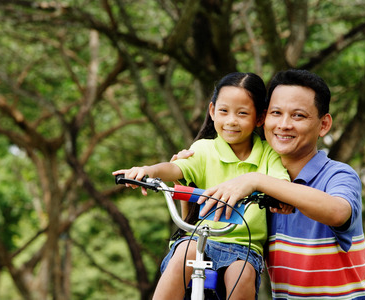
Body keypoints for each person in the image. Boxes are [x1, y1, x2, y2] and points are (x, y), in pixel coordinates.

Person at [195, 69, 365, 299]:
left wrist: (258, 181)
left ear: (323, 125)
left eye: (298, 116)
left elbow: (338, 211)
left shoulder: (338, 175)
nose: (284, 124)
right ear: (262, 118)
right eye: (276, 113)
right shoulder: (251, 180)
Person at [112, 72, 291, 300]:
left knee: (242, 275)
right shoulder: (205, 149)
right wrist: (149, 170)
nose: (231, 120)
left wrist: (275, 195)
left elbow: (281, 185)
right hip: (200, 237)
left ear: (259, 118)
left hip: (243, 247)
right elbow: (176, 168)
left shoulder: (268, 155)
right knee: (184, 252)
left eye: (242, 113)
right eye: (224, 111)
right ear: (212, 111)